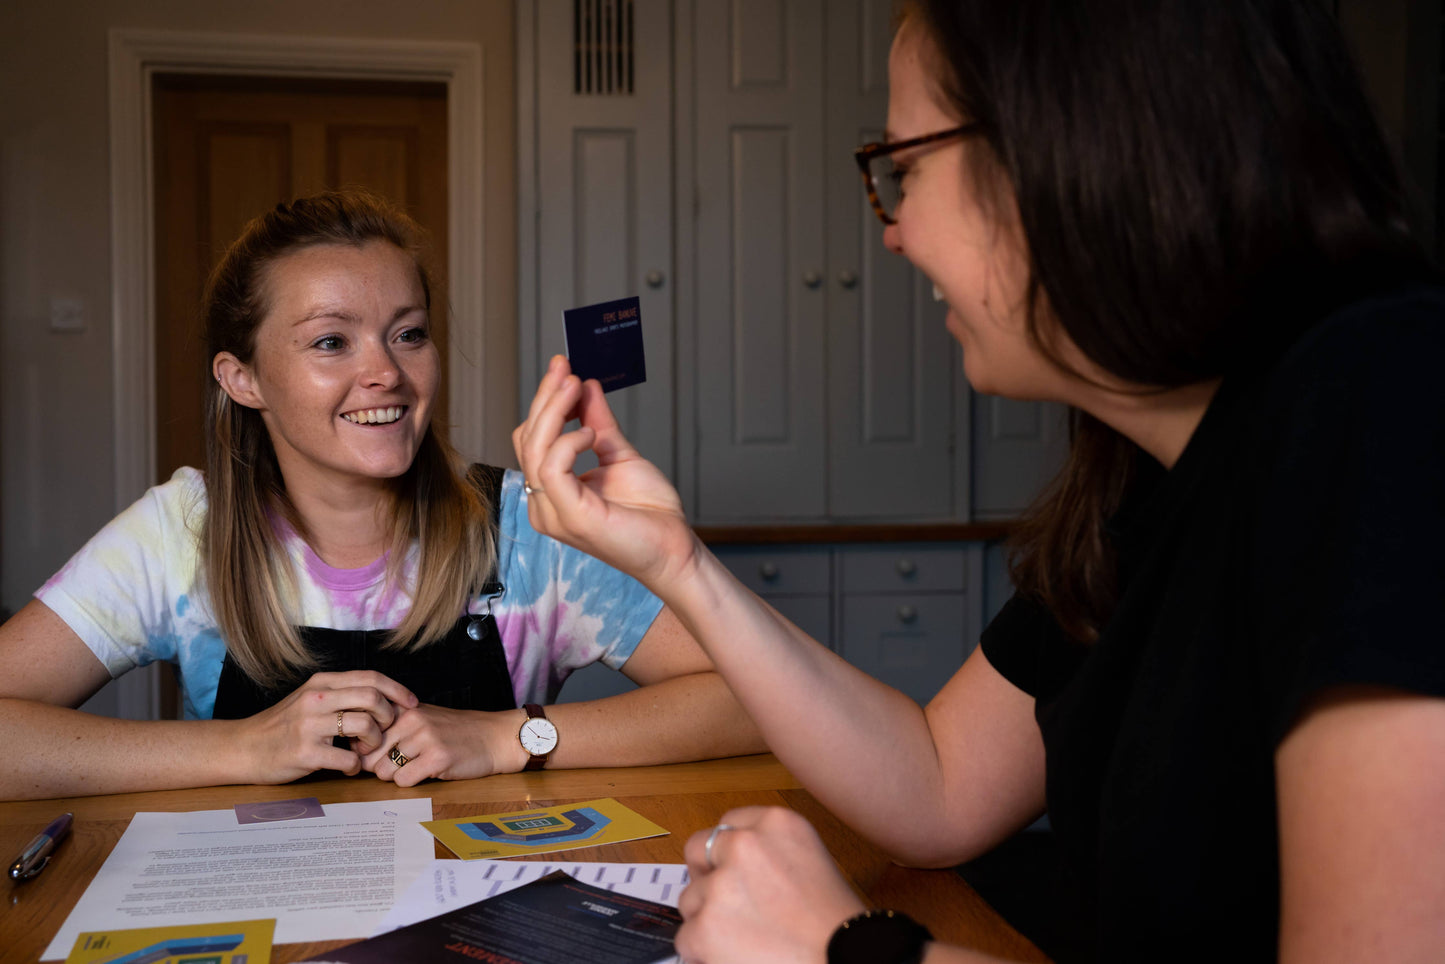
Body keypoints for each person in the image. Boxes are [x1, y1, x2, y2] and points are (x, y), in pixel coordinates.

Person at [512, 1, 1445, 961]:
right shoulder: (1142, 478)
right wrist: (677, 564)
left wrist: (845, 950)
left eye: (905, 169)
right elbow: (940, 784)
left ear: (1068, 146)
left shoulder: (1387, 402)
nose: (895, 233)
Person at [0, 190, 762, 802]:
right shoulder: (180, 533)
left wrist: (509, 737)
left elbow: (757, 698)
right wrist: (239, 747)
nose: (387, 374)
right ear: (243, 379)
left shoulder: (529, 525)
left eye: (408, 334)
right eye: (331, 342)